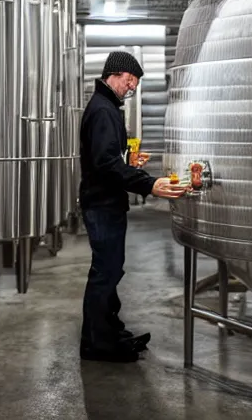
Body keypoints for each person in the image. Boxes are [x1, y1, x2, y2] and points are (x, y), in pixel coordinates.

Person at [79, 51, 188, 363]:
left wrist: (129, 161)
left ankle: (109, 331)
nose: (131, 88)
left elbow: (109, 159)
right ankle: (98, 344)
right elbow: (103, 164)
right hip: (101, 204)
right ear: (117, 73)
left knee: (111, 270)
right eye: (130, 82)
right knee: (106, 272)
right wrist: (148, 183)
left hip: (106, 202)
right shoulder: (103, 110)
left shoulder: (107, 106)